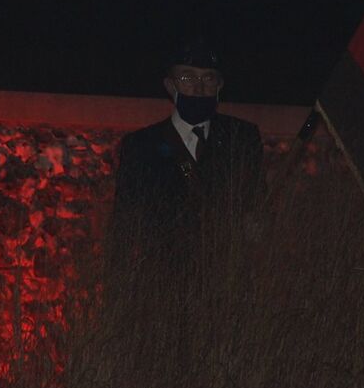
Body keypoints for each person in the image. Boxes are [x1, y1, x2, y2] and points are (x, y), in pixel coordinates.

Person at [108, 40, 265, 271]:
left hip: (226, 276)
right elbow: (125, 219)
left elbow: (257, 198)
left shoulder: (240, 138)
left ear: (219, 86)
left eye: (208, 78)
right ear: (170, 86)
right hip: (161, 278)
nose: (199, 88)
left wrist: (257, 227)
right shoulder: (142, 145)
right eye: (187, 78)